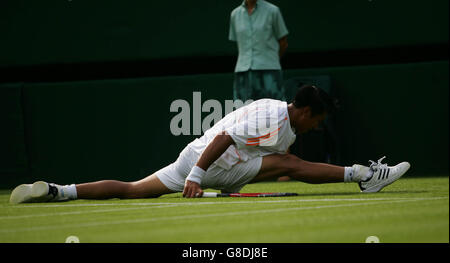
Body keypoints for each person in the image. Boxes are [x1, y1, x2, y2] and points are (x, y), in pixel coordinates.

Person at [9, 85, 410, 204]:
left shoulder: (287, 120)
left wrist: (201, 173)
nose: (319, 126)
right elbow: (222, 137)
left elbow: (243, 148)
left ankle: (58, 191)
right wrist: (200, 175)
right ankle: (364, 175)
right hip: (209, 161)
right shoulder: (273, 116)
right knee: (289, 164)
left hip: (194, 157)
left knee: (133, 190)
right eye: (318, 119)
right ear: (304, 110)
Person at [229, 0, 289, 102]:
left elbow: (283, 43)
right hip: (242, 73)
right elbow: (239, 43)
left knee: (273, 111)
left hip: (270, 72)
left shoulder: (273, 11)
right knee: (243, 112)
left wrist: (271, 60)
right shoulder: (235, 14)